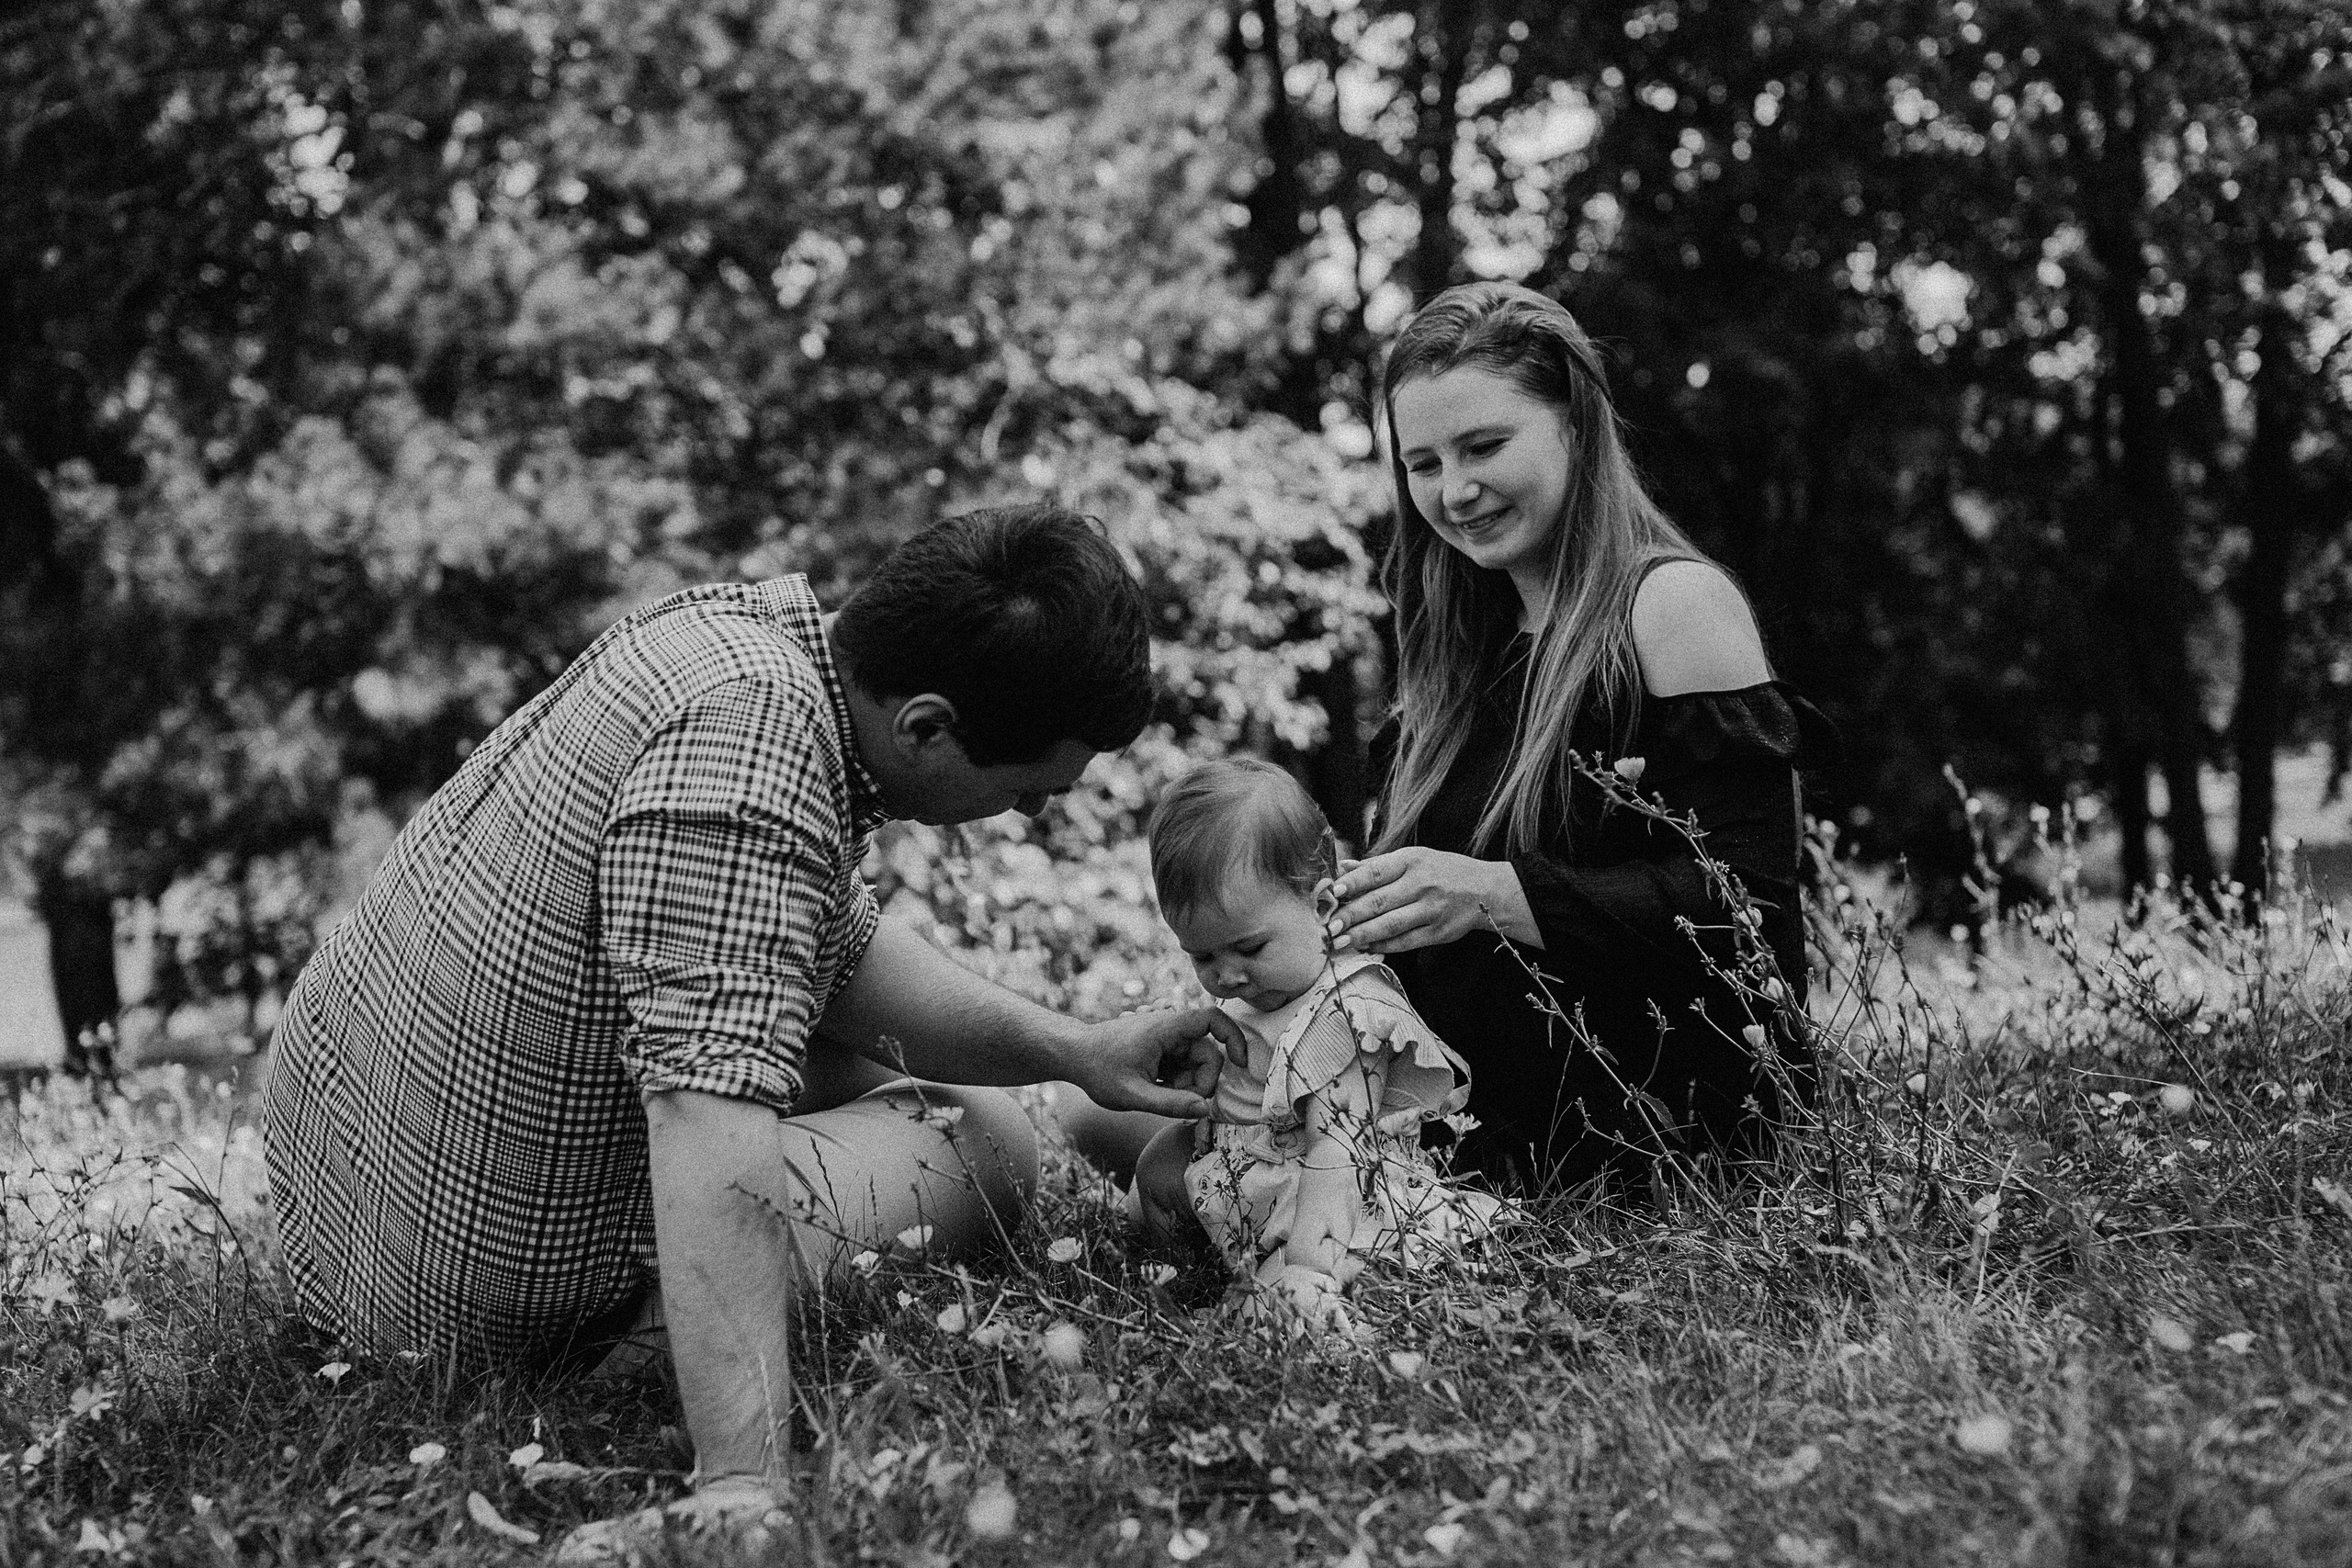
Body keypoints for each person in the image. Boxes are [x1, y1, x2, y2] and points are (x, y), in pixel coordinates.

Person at [261, 505, 1239, 1561]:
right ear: (925, 727)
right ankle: (625, 1347)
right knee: (982, 1142)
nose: (1029, 817)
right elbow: (704, 1107)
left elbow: (840, 960)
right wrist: (741, 1485)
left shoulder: (733, 644)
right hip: (454, 1296)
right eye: (1022, 794)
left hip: (346, 1199)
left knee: (912, 1075)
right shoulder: (750, 767)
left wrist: (1076, 1049)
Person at [1321, 279, 1830, 1192]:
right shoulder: (1451, 653)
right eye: (1423, 462)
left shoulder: (1670, 607)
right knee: (1133, 1129)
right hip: (1457, 1100)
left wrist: (1496, 895)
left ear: (1576, 426)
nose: (1456, 490)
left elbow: (1748, 910)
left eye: (1484, 446)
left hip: (1646, 1121)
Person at [1127, 758, 1502, 1332]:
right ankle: (1193, 1265)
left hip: (1333, 1204)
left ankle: (1312, 1285)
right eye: (1202, 957)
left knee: (1288, 1302)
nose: (1226, 976)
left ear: (1322, 907)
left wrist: (1308, 1269)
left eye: (1248, 949)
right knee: (1158, 1165)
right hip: (1258, 1176)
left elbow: (1338, 1153)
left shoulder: (1345, 1014)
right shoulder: (1256, 995)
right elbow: (1232, 1106)